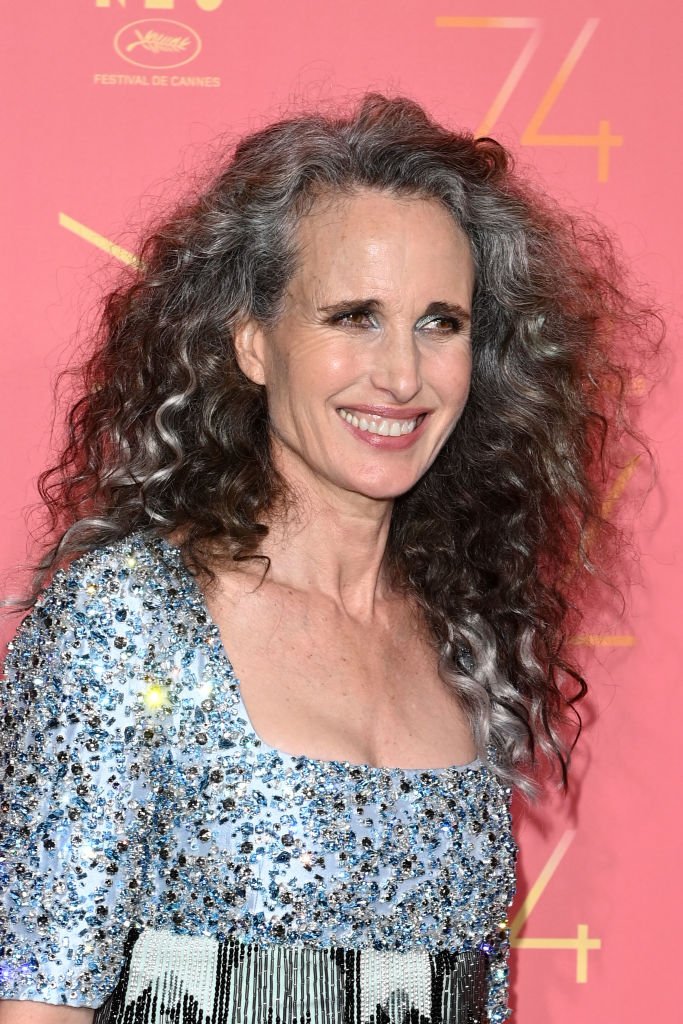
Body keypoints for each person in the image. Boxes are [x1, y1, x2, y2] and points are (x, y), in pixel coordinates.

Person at [0, 94, 652, 1024]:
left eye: (440, 323)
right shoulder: (129, 617)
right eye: (353, 316)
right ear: (254, 343)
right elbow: (38, 1006)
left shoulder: (465, 637)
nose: (400, 375)